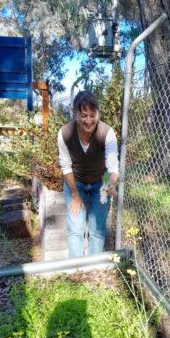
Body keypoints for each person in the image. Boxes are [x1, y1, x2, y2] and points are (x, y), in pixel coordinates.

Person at [58, 91, 119, 258]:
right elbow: (66, 166)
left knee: (97, 230)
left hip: (101, 181)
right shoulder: (64, 133)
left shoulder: (107, 133)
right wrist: (75, 195)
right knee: (75, 229)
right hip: (75, 182)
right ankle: (75, 268)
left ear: (98, 114)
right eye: (83, 115)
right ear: (75, 114)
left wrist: (109, 185)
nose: (88, 120)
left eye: (93, 115)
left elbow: (112, 167)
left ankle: (93, 269)